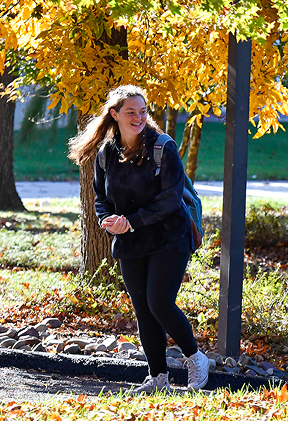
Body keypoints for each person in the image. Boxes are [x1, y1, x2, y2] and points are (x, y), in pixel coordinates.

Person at [67, 85, 209, 394]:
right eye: (131, 112)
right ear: (115, 115)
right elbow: (100, 198)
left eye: (142, 111)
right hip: (131, 242)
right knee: (143, 310)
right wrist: (108, 220)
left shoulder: (162, 147)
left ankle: (195, 357)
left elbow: (171, 200)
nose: (138, 117)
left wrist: (130, 221)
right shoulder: (106, 153)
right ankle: (158, 377)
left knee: (159, 302)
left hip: (170, 236)